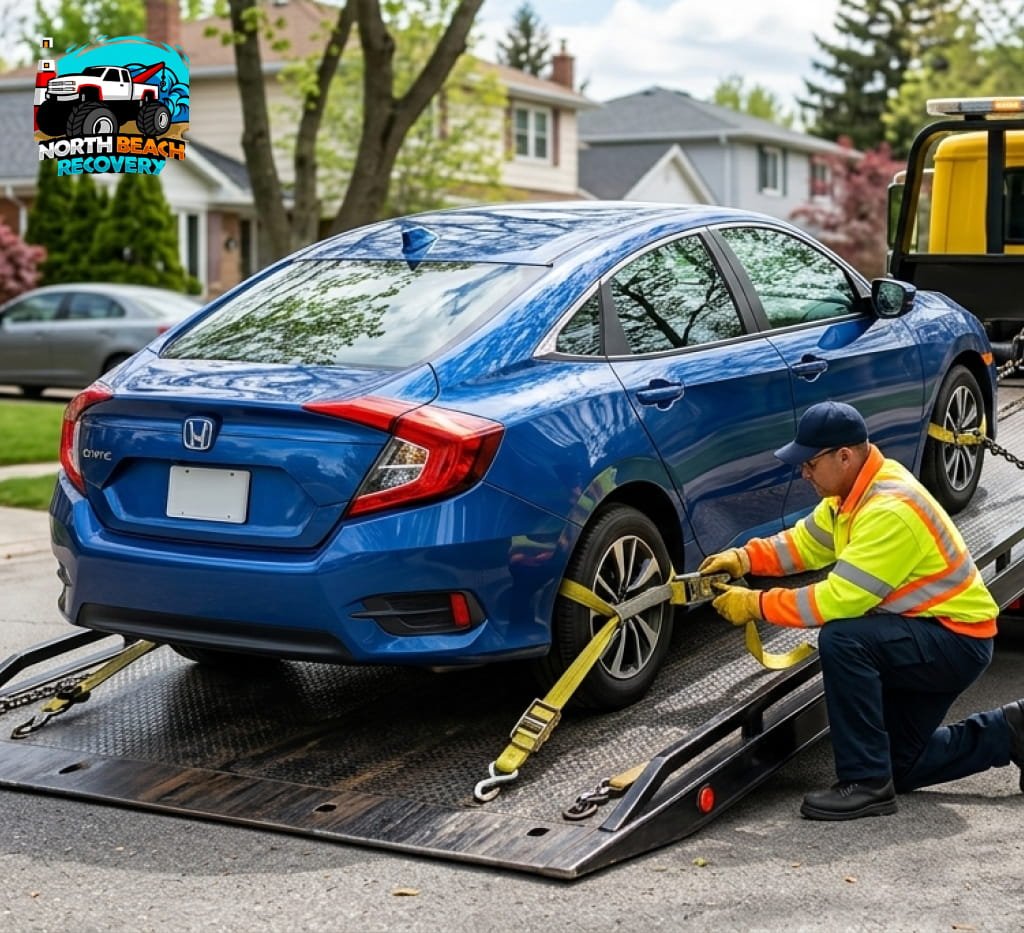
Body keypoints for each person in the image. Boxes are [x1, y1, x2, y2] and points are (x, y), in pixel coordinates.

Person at [700, 400, 1023, 821]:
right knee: (901, 767)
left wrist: (755, 604)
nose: (804, 473)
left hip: (954, 640)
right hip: (930, 632)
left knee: (844, 639)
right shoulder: (850, 494)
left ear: (844, 456)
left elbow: (836, 600)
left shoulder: (889, 510)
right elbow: (802, 544)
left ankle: (866, 784)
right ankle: (1011, 732)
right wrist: (744, 559)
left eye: (810, 464)